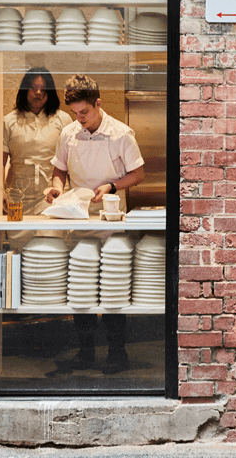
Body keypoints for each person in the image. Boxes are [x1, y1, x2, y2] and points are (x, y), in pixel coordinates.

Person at [44, 74, 145, 375]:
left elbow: (138, 174)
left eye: (84, 112)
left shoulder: (122, 134)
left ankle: (118, 353)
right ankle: (85, 352)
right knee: (82, 289)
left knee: (113, 290)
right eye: (75, 113)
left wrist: (111, 187)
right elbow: (58, 171)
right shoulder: (69, 134)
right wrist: (56, 189)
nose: (80, 119)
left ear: (98, 104)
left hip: (113, 221)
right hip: (79, 219)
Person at [2, 67, 72, 217]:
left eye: (43, 89)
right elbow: (0, 163)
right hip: (17, 196)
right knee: (19, 238)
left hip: (52, 194)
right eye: (33, 88)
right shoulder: (9, 121)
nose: (38, 93)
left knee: (52, 239)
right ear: (25, 90)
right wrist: (0, 192)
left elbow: (71, 162)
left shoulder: (63, 120)